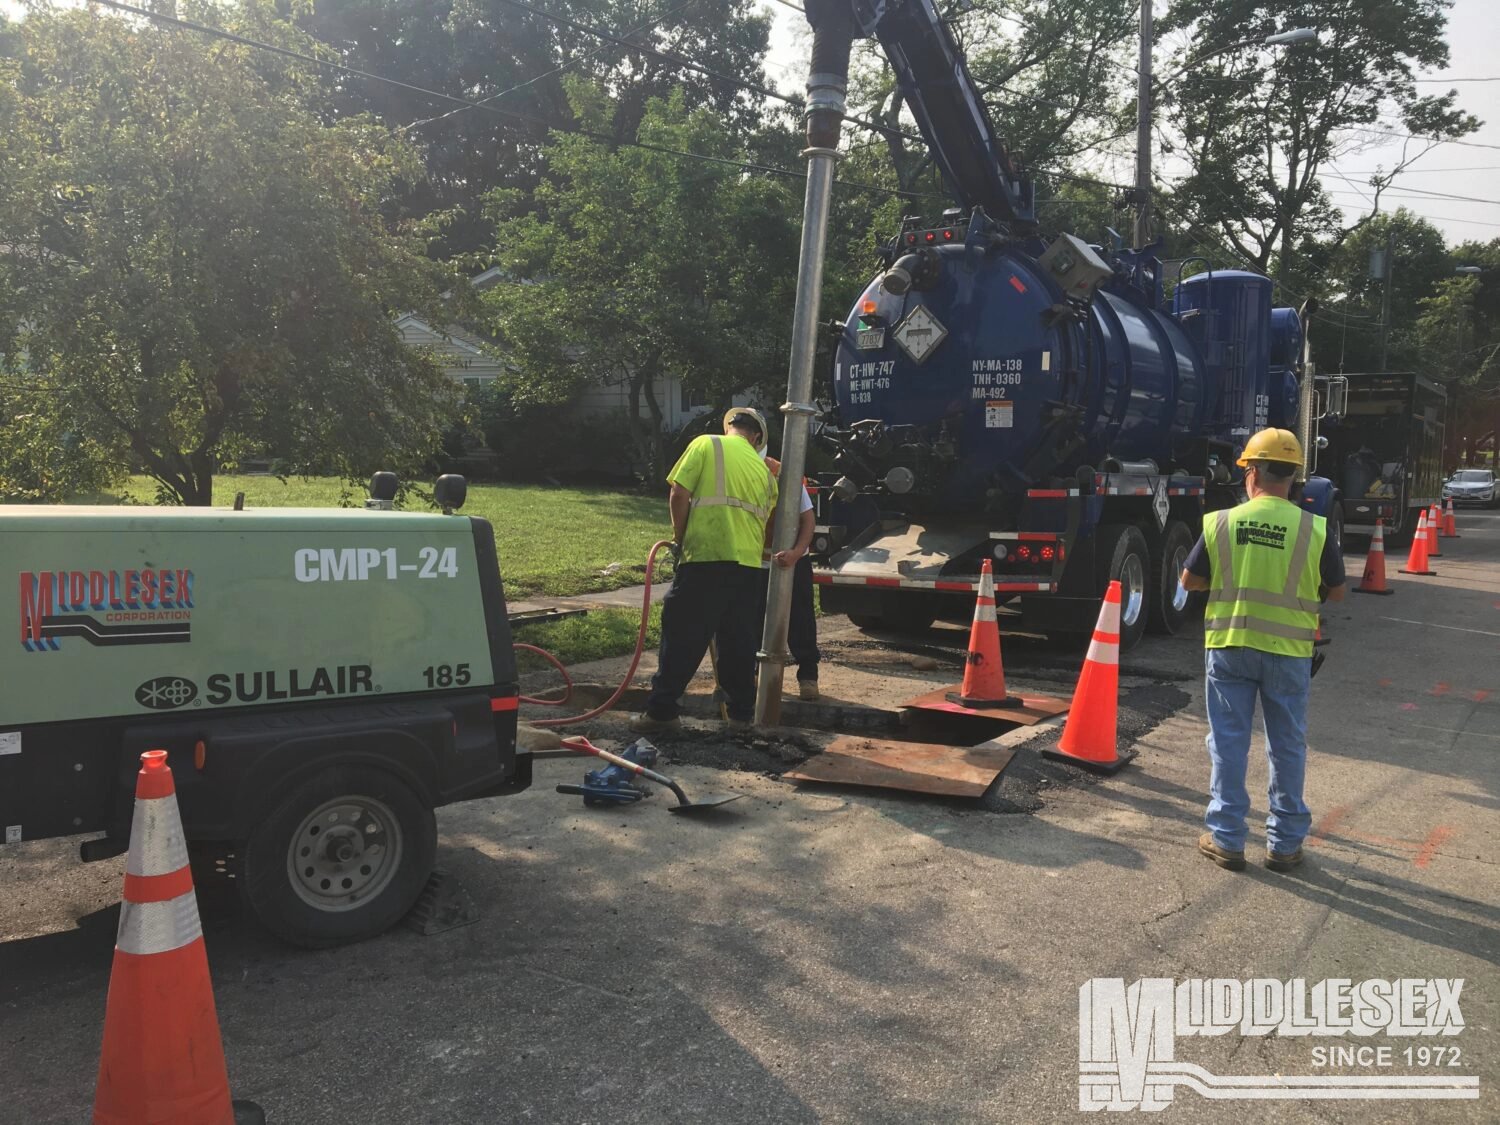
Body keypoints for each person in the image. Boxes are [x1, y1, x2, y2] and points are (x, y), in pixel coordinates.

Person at [1179, 428, 1346, 874]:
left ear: (1251, 472)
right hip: (1289, 650)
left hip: (1231, 645)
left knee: (1229, 742)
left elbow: (1189, 581)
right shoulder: (1314, 527)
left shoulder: (1221, 522)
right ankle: (1285, 845)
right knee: (1287, 744)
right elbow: (1339, 590)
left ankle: (1227, 838)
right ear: (1293, 477)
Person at [631, 410, 777, 732]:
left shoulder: (707, 444)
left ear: (729, 427)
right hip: (749, 567)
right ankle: (740, 717)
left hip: (706, 556)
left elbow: (679, 493)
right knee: (738, 641)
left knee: (683, 634)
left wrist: (679, 538)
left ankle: (662, 713)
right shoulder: (766, 473)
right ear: (756, 439)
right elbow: (764, 523)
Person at [753, 416, 821, 701]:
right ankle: (753, 677)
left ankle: (808, 676)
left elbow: (808, 519)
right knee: (750, 621)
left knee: (800, 620)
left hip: (791, 560)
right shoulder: (735, 470)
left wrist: (795, 553)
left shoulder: (779, 471)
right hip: (752, 563)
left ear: (758, 437)